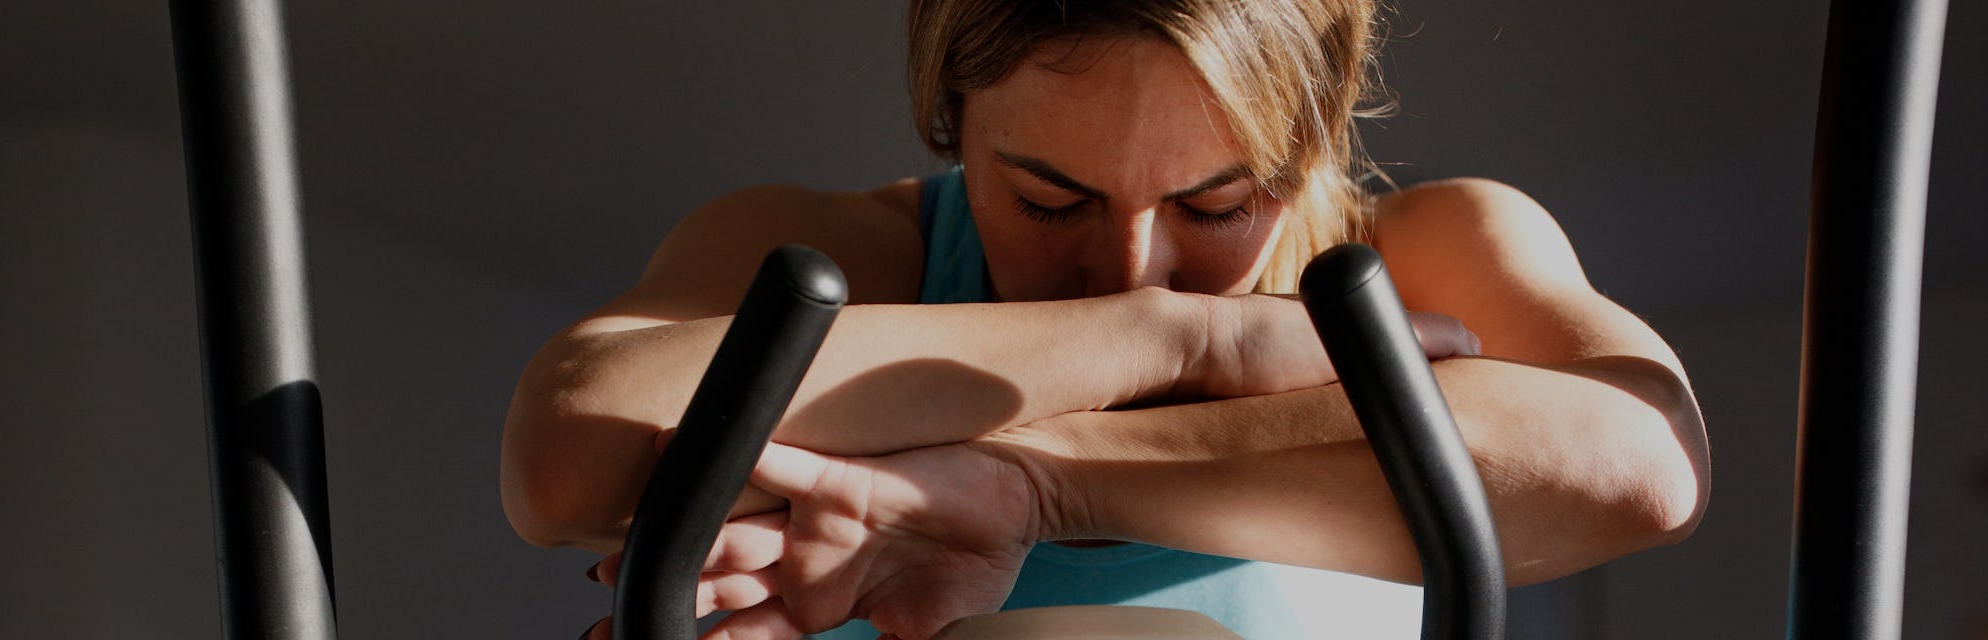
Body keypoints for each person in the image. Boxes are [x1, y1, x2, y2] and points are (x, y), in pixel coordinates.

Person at [500, 1, 1711, 638]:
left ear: (1312, 143)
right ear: (951, 121)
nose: (1130, 263)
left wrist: (1035, 484)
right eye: (1048, 196)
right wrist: (1185, 339)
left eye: (1214, 201)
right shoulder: (870, 252)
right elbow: (569, 453)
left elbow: (1635, 461)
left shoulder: (1421, 250)